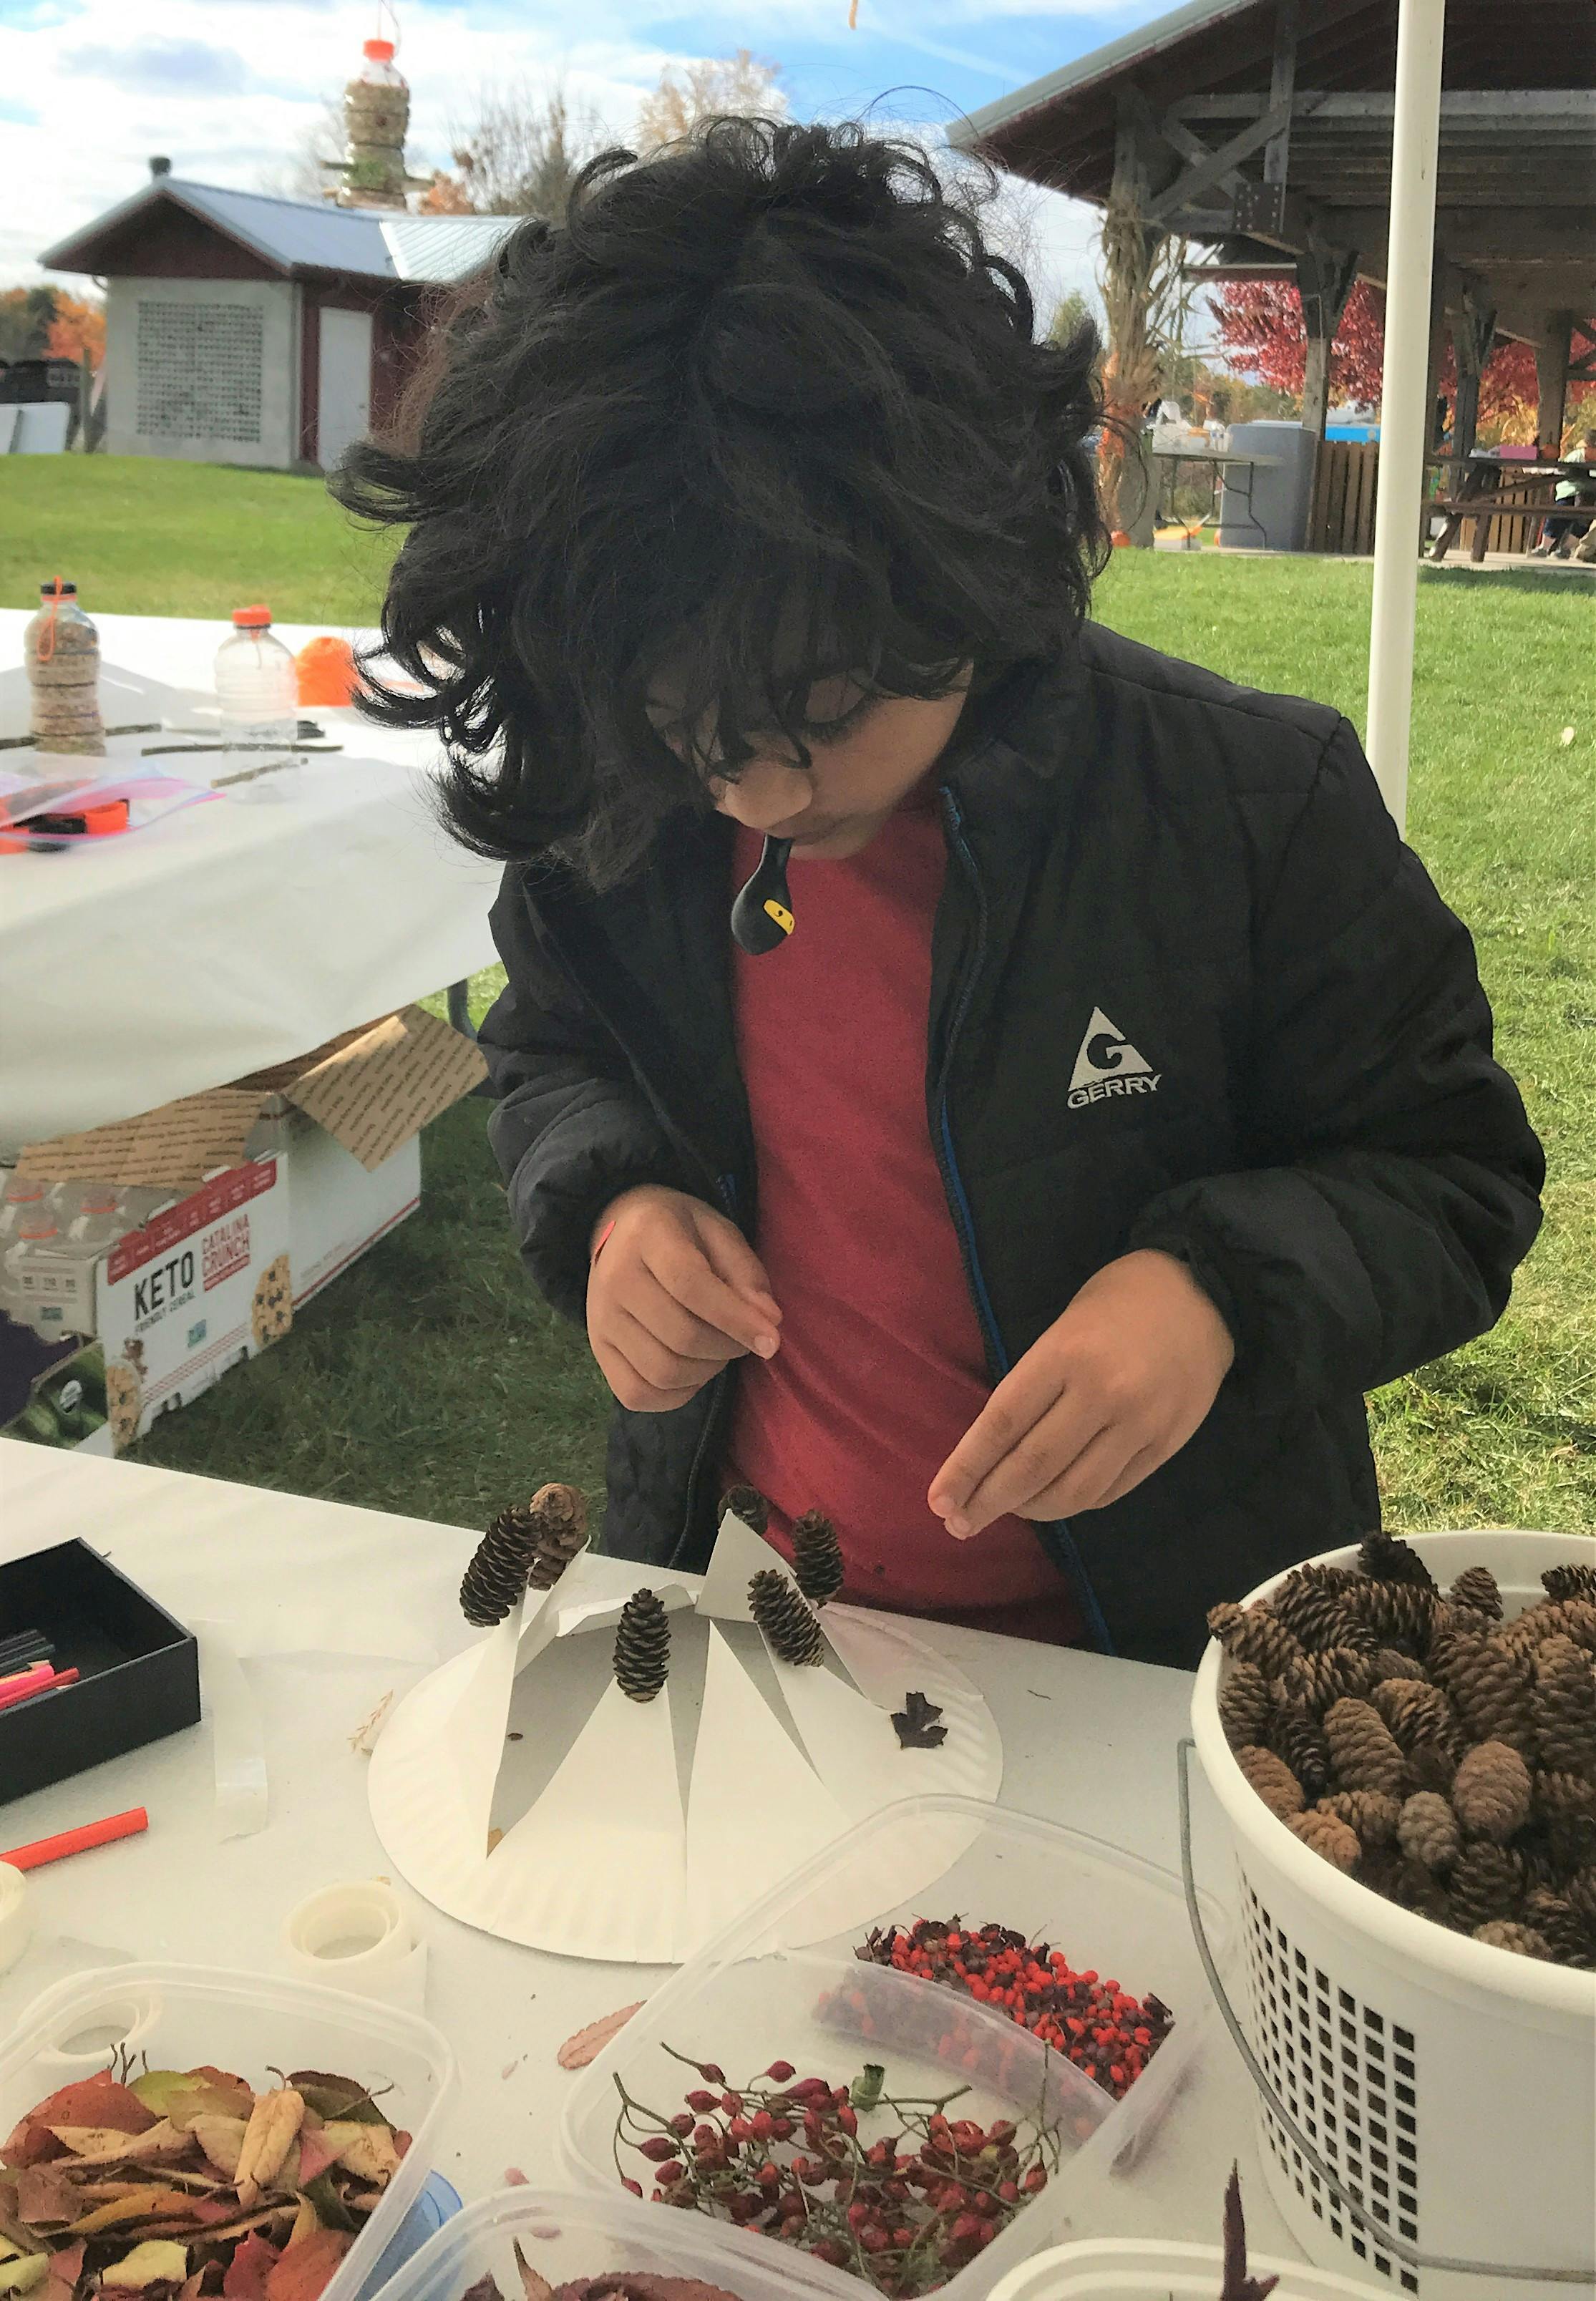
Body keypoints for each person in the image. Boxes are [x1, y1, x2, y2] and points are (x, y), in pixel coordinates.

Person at [337, 122, 1543, 1667]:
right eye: (684, 731)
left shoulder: (1243, 804)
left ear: (963, 565)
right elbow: (551, 1049)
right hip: (751, 1609)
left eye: (819, 712)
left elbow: (1449, 1174)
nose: (756, 794)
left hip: (1166, 1654)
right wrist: (611, 1197)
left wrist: (1209, 1289)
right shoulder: (623, 811)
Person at [1530, 429, 1596, 557]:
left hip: (1589, 493)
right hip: (1568, 491)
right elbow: (1562, 472)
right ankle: (1544, 547)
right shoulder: (1575, 457)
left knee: (1585, 514)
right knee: (1561, 510)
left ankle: (1566, 549)